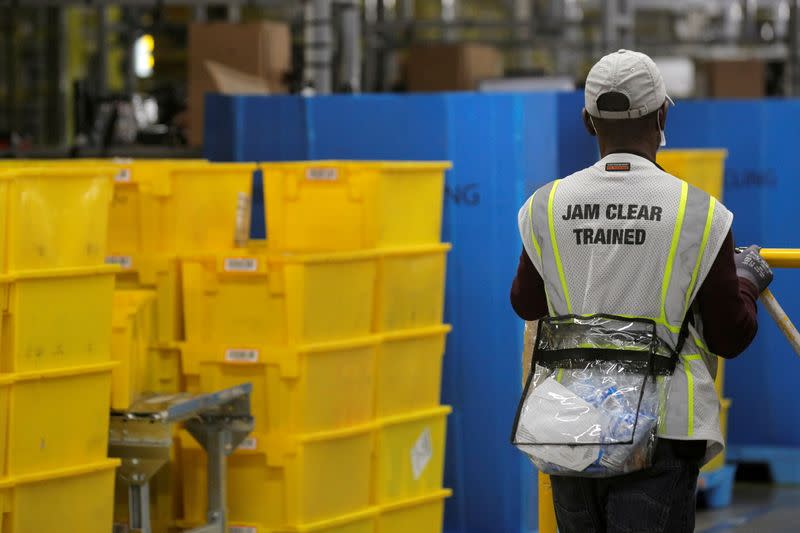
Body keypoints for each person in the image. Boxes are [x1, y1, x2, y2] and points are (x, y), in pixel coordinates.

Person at [509, 49, 774, 533]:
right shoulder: (699, 214)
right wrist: (747, 280)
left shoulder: (545, 206)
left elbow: (526, 302)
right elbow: (730, 335)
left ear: (589, 122)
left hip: (575, 429)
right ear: (662, 114)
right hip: (665, 430)